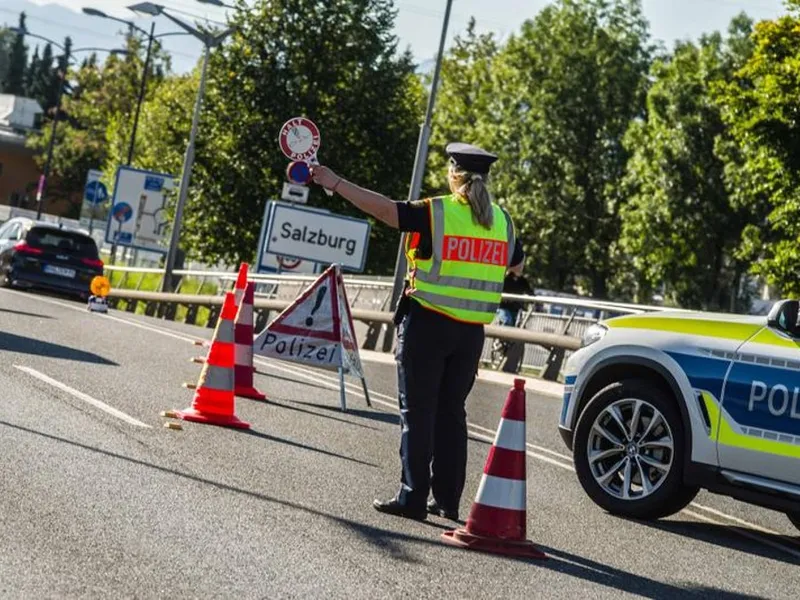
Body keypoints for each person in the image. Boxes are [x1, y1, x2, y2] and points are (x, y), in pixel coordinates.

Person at [310, 142, 525, 521]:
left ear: (453, 174)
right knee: (451, 414)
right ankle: (446, 501)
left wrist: (336, 183)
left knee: (418, 412)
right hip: (470, 333)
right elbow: (517, 266)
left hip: (428, 324)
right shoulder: (502, 221)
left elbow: (385, 210)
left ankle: (412, 497)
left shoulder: (437, 212)